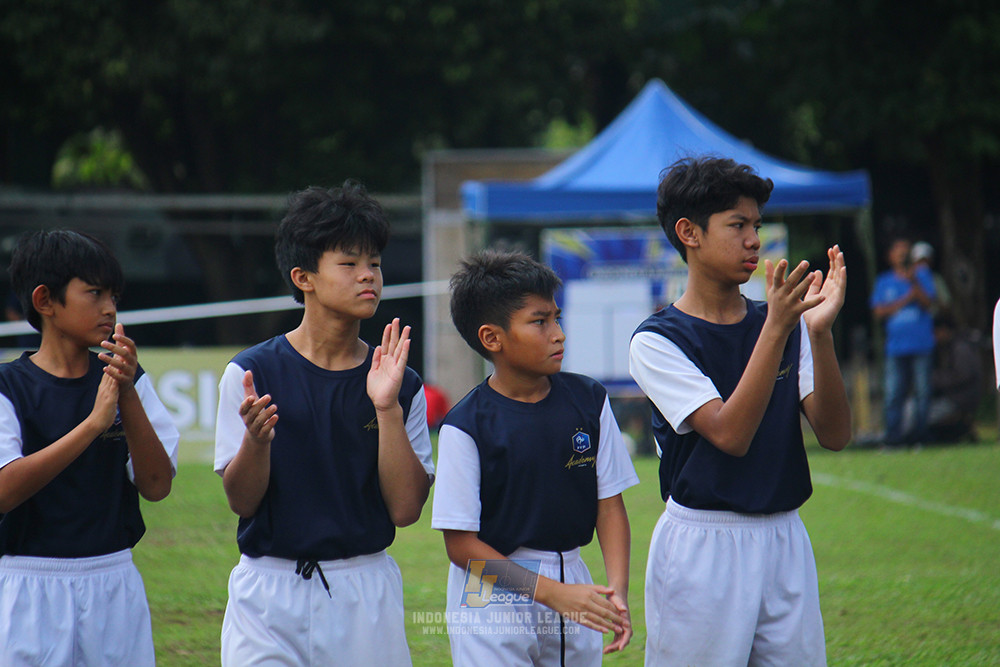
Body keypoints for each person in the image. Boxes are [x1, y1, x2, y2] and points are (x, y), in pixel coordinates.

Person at [629, 157, 851, 666]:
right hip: (703, 543)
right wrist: (778, 327)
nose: (755, 240)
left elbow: (836, 434)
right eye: (737, 225)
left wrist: (818, 332)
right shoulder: (658, 340)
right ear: (689, 233)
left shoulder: (786, 323)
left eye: (756, 225)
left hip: (784, 535)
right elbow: (730, 435)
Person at [214, 181, 434, 666]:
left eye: (374, 263)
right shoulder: (251, 374)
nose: (369, 276)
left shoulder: (401, 382)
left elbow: (405, 509)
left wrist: (387, 409)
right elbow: (242, 501)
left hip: (364, 589)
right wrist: (255, 441)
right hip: (268, 593)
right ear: (303, 277)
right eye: (350, 263)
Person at [432, 249, 639, 666]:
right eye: (539, 322)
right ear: (492, 338)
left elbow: (609, 505)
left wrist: (615, 592)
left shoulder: (589, 400)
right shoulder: (465, 425)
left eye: (556, 318)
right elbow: (460, 547)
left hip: (573, 577)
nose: (558, 333)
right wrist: (552, 593)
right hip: (491, 587)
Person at [0, 229, 179, 666]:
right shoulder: (9, 386)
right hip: (27, 585)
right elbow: (5, 489)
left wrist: (127, 394)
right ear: (45, 301)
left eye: (114, 295)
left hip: (114, 580)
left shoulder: (130, 382)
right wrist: (95, 423)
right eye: (94, 293)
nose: (110, 308)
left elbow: (156, 485)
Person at [870, 236, 937, 445]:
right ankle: (893, 438)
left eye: (905, 250)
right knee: (893, 394)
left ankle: (920, 437)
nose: (902, 254)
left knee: (922, 393)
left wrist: (914, 281)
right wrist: (906, 299)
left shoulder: (922, 275)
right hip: (896, 347)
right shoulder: (884, 281)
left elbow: (929, 303)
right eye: (897, 250)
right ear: (890, 256)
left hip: (922, 344)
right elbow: (879, 312)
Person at [924, 315, 982, 442]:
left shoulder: (960, 348)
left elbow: (962, 375)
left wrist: (935, 379)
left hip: (960, 398)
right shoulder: (948, 348)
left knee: (922, 415)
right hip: (957, 397)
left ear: (944, 330)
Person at [910, 241, 951, 317]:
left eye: (926, 261)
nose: (923, 265)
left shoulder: (936, 278)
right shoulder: (905, 278)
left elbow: (946, 304)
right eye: (920, 261)